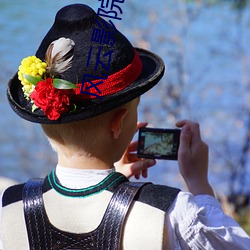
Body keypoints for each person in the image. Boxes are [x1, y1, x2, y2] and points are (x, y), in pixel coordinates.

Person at [1, 3, 250, 249]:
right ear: (119, 123)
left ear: (46, 117)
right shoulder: (171, 213)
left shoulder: (10, 208)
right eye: (136, 106)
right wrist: (200, 185)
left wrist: (119, 188)